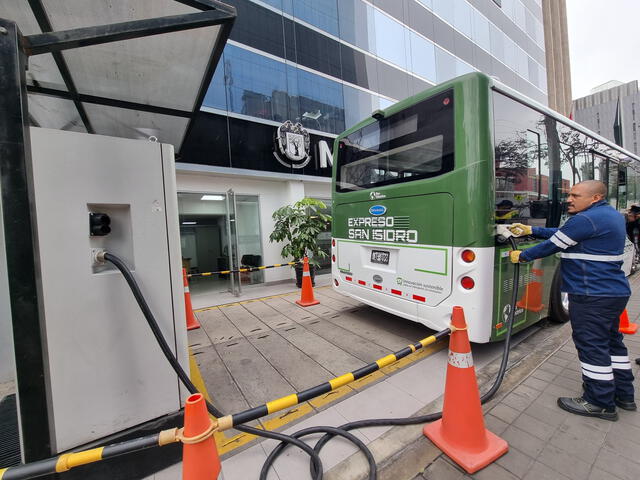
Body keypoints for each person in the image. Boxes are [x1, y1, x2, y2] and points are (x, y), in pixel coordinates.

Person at [508, 180, 635, 421]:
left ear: (595, 197)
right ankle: (624, 394)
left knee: (592, 345)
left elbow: (555, 244)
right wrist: (531, 230)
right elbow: (567, 234)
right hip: (612, 292)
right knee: (612, 343)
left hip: (591, 294)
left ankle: (598, 402)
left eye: (575, 195)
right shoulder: (609, 215)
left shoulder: (585, 219)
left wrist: (522, 256)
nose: (569, 199)